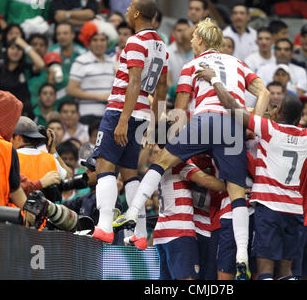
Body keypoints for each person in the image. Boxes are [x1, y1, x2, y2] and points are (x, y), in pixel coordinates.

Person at [113, 17, 269, 279]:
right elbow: (264, 92)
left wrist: (166, 137)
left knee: (161, 161)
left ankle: (132, 212)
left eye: (194, 38)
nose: (192, 42)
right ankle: (242, 254)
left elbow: (180, 111)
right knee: (236, 190)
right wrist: (252, 124)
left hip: (205, 119)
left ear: (200, 40)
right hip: (234, 126)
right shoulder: (238, 63)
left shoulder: (193, 65)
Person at [195, 68, 307, 280]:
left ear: (278, 113)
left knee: (264, 271)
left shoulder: (269, 130)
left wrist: (215, 79)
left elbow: (233, 108)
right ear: (300, 118)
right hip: (294, 209)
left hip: (268, 208)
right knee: (287, 272)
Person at [91, 0, 168, 246]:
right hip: (144, 113)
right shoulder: (161, 45)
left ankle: (104, 226)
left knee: (104, 165)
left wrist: (123, 120)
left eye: (129, 6)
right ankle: (140, 233)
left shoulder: (136, 41)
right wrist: (155, 125)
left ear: (136, 14)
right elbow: (162, 88)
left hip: (121, 111)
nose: (126, 9)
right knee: (129, 171)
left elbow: (134, 82)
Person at [67, 19, 117, 124]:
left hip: (109, 117)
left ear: (108, 42)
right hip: (87, 116)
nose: (99, 43)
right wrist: (100, 97)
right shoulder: (81, 61)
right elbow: (71, 90)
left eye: (102, 40)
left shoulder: (112, 62)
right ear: (88, 42)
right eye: (95, 40)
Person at [47, 22, 87, 105]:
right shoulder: (51, 52)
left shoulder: (83, 52)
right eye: (58, 34)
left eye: (65, 33)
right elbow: (49, 79)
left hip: (79, 96)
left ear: (73, 35)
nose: (61, 36)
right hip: (57, 98)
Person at [167, 19, 193, 97]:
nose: (182, 34)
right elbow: (167, 83)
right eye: (179, 31)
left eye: (185, 30)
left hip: (192, 98)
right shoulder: (167, 52)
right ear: (173, 33)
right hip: (171, 96)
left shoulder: (197, 51)